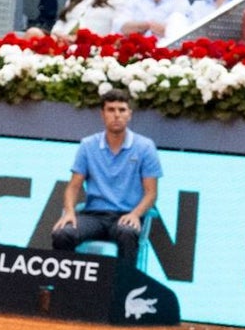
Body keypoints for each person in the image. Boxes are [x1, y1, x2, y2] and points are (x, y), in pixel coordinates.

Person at [50, 88, 162, 267]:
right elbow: (73, 186)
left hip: (125, 216)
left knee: (128, 231)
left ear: (129, 114)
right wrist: (69, 212)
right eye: (111, 110)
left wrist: (135, 214)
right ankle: (67, 291)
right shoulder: (88, 145)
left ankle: (125, 292)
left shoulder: (145, 147)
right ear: (102, 114)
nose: (117, 115)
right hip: (94, 216)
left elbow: (151, 193)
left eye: (122, 110)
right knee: (63, 233)